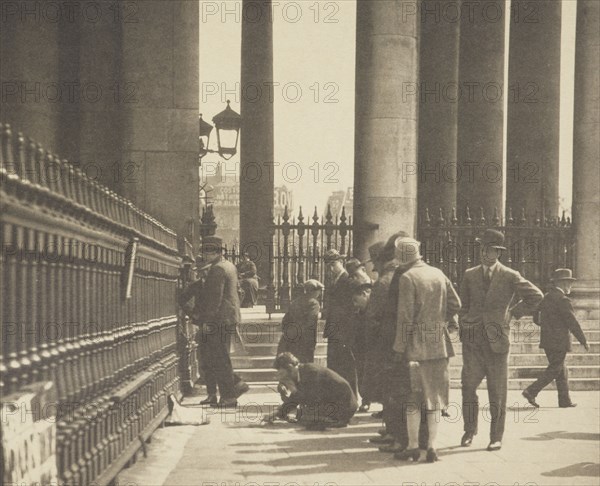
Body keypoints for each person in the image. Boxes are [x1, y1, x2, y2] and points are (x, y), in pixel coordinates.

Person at [459, 229, 543, 451]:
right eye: (481, 248)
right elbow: (463, 305)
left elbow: (536, 296)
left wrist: (514, 313)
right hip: (473, 342)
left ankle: (496, 436)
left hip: (498, 341)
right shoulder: (469, 274)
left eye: (488, 249)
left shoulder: (510, 275)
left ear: (498, 252)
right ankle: (469, 430)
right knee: (467, 386)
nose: (483, 253)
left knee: (497, 392)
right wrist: (465, 323)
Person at [391, 237, 461, 463]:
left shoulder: (407, 278)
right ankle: (432, 446)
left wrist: (399, 348)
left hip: (415, 346)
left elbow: (405, 317)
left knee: (414, 398)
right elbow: (456, 304)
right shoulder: (438, 273)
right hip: (439, 345)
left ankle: (412, 445)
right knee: (434, 399)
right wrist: (441, 321)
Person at [194, 235, 250, 408]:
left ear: (215, 252)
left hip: (219, 320)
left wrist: (207, 322)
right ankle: (235, 385)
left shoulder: (217, 269)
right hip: (228, 318)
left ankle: (229, 397)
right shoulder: (230, 266)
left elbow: (214, 299)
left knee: (220, 357)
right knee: (219, 356)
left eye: (207, 252)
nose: (204, 255)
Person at [522, 268, 589, 408]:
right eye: (569, 283)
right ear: (563, 284)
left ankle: (564, 401)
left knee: (561, 369)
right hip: (559, 342)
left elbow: (536, 316)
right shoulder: (564, 300)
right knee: (555, 369)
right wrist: (583, 340)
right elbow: (572, 323)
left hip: (547, 341)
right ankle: (531, 391)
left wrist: (547, 326)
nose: (570, 286)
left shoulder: (546, 297)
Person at [263, 352, 358, 430]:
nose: (281, 377)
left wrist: (294, 390)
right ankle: (328, 419)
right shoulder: (301, 373)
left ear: (291, 368)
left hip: (344, 406)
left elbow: (311, 400)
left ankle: (335, 420)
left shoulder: (311, 372)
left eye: (282, 373)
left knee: (305, 416)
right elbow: (296, 400)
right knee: (302, 416)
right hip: (334, 403)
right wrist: (278, 413)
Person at [322, 249, 359, 396]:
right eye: (330, 265)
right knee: (335, 364)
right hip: (335, 330)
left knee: (346, 365)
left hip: (343, 331)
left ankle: (351, 396)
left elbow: (350, 308)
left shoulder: (347, 280)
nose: (331, 269)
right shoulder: (336, 279)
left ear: (338, 263)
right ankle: (339, 395)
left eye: (333, 264)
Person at [276, 279, 324, 363]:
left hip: (290, 339)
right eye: (318, 291)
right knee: (306, 367)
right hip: (305, 341)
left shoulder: (296, 301)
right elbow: (311, 323)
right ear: (313, 291)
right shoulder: (314, 303)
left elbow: (285, 320)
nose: (319, 294)